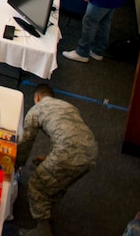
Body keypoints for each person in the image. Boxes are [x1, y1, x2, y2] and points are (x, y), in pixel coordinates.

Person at [15, 83, 98, 236]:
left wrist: (15, 165)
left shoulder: (36, 110)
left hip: (68, 153)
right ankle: (48, 209)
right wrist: (48, 159)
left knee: (37, 183)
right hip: (91, 153)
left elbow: (25, 144)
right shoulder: (69, 106)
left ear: (37, 97)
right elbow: (67, 135)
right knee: (59, 181)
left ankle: (42, 229)